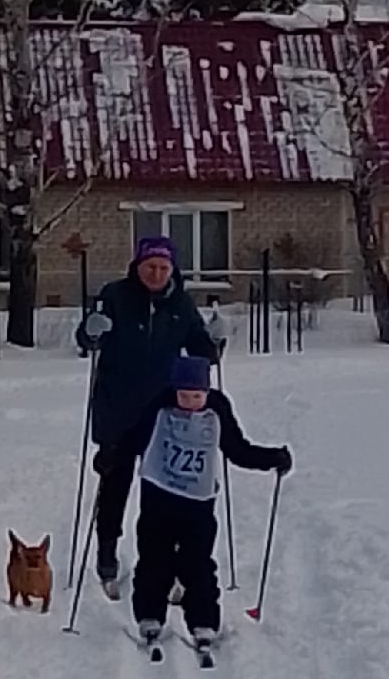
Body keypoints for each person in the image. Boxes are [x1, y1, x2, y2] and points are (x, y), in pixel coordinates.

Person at [94, 354, 291, 651]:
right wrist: (111, 455)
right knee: (153, 558)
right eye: (183, 395)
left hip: (198, 502)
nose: (190, 402)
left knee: (197, 563)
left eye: (196, 395)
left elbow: (237, 450)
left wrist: (271, 458)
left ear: (207, 391)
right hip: (158, 493)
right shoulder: (160, 406)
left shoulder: (217, 410)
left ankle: (204, 622)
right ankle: (149, 616)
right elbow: (135, 439)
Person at [77, 236, 223, 587]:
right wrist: (91, 332)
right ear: (137, 266)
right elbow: (86, 339)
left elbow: (203, 353)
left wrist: (215, 340)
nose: (156, 274)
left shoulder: (181, 304)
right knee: (114, 485)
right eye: (150, 267)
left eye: (163, 268)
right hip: (118, 409)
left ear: (172, 270)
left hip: (166, 416)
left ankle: (168, 562)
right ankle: (107, 551)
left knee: (167, 490)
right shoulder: (114, 296)